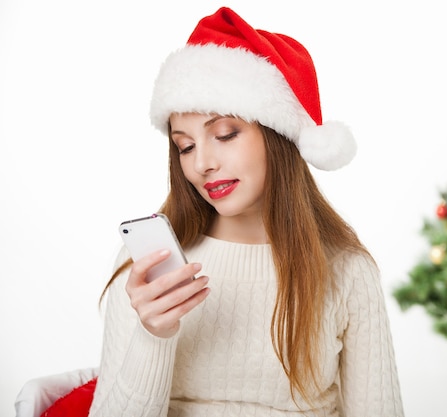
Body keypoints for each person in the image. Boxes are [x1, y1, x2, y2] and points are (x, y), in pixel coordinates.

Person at [89, 6, 404, 417]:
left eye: (224, 134)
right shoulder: (148, 265)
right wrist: (155, 334)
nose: (202, 163)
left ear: (277, 135)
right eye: (185, 146)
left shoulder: (347, 270)